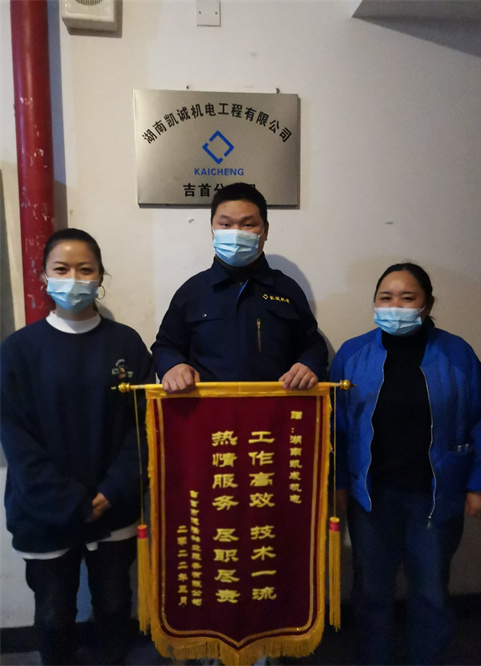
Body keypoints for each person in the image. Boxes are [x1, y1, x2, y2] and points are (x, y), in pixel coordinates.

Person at [328, 262, 481, 665]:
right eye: (385, 297)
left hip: (436, 496)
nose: (395, 306)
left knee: (430, 588)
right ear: (374, 302)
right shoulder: (353, 353)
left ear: (427, 304)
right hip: (371, 497)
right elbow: (334, 426)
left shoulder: (456, 353)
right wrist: (337, 483)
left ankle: (427, 657)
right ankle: (374, 657)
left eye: (408, 298)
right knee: (371, 589)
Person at [1, 228, 155, 665]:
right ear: (44, 277)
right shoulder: (18, 350)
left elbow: (145, 426)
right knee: (53, 616)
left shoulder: (126, 344)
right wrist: (71, 500)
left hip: (115, 506)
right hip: (43, 511)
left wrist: (113, 490)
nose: (73, 279)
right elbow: (16, 437)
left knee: (114, 605)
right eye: (62, 269)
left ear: (100, 276)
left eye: (85, 269)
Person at [152, 182, 328, 392]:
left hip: (274, 408)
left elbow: (313, 345)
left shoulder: (286, 289)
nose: (236, 233)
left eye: (247, 225)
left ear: (265, 230)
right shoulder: (192, 291)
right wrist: (172, 365)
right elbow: (165, 345)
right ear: (212, 230)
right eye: (226, 224)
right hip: (208, 409)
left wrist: (309, 365)